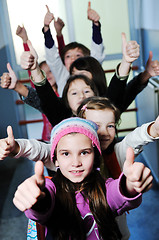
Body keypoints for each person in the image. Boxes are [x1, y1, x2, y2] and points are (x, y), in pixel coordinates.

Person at [13, 117, 153, 240]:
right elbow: (44, 203)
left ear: (95, 156)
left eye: (84, 152)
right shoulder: (51, 187)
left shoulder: (105, 187)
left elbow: (119, 194)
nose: (76, 162)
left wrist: (130, 183)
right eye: (66, 153)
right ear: (55, 160)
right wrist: (37, 198)